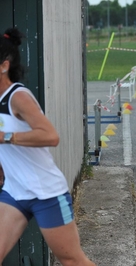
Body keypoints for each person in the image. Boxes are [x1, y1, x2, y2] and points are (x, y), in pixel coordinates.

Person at [0, 28, 95, 266]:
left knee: (71, 260)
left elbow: (50, 136)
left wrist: (5, 137)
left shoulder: (18, 97)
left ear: (4, 66)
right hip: (14, 192)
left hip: (46, 194)